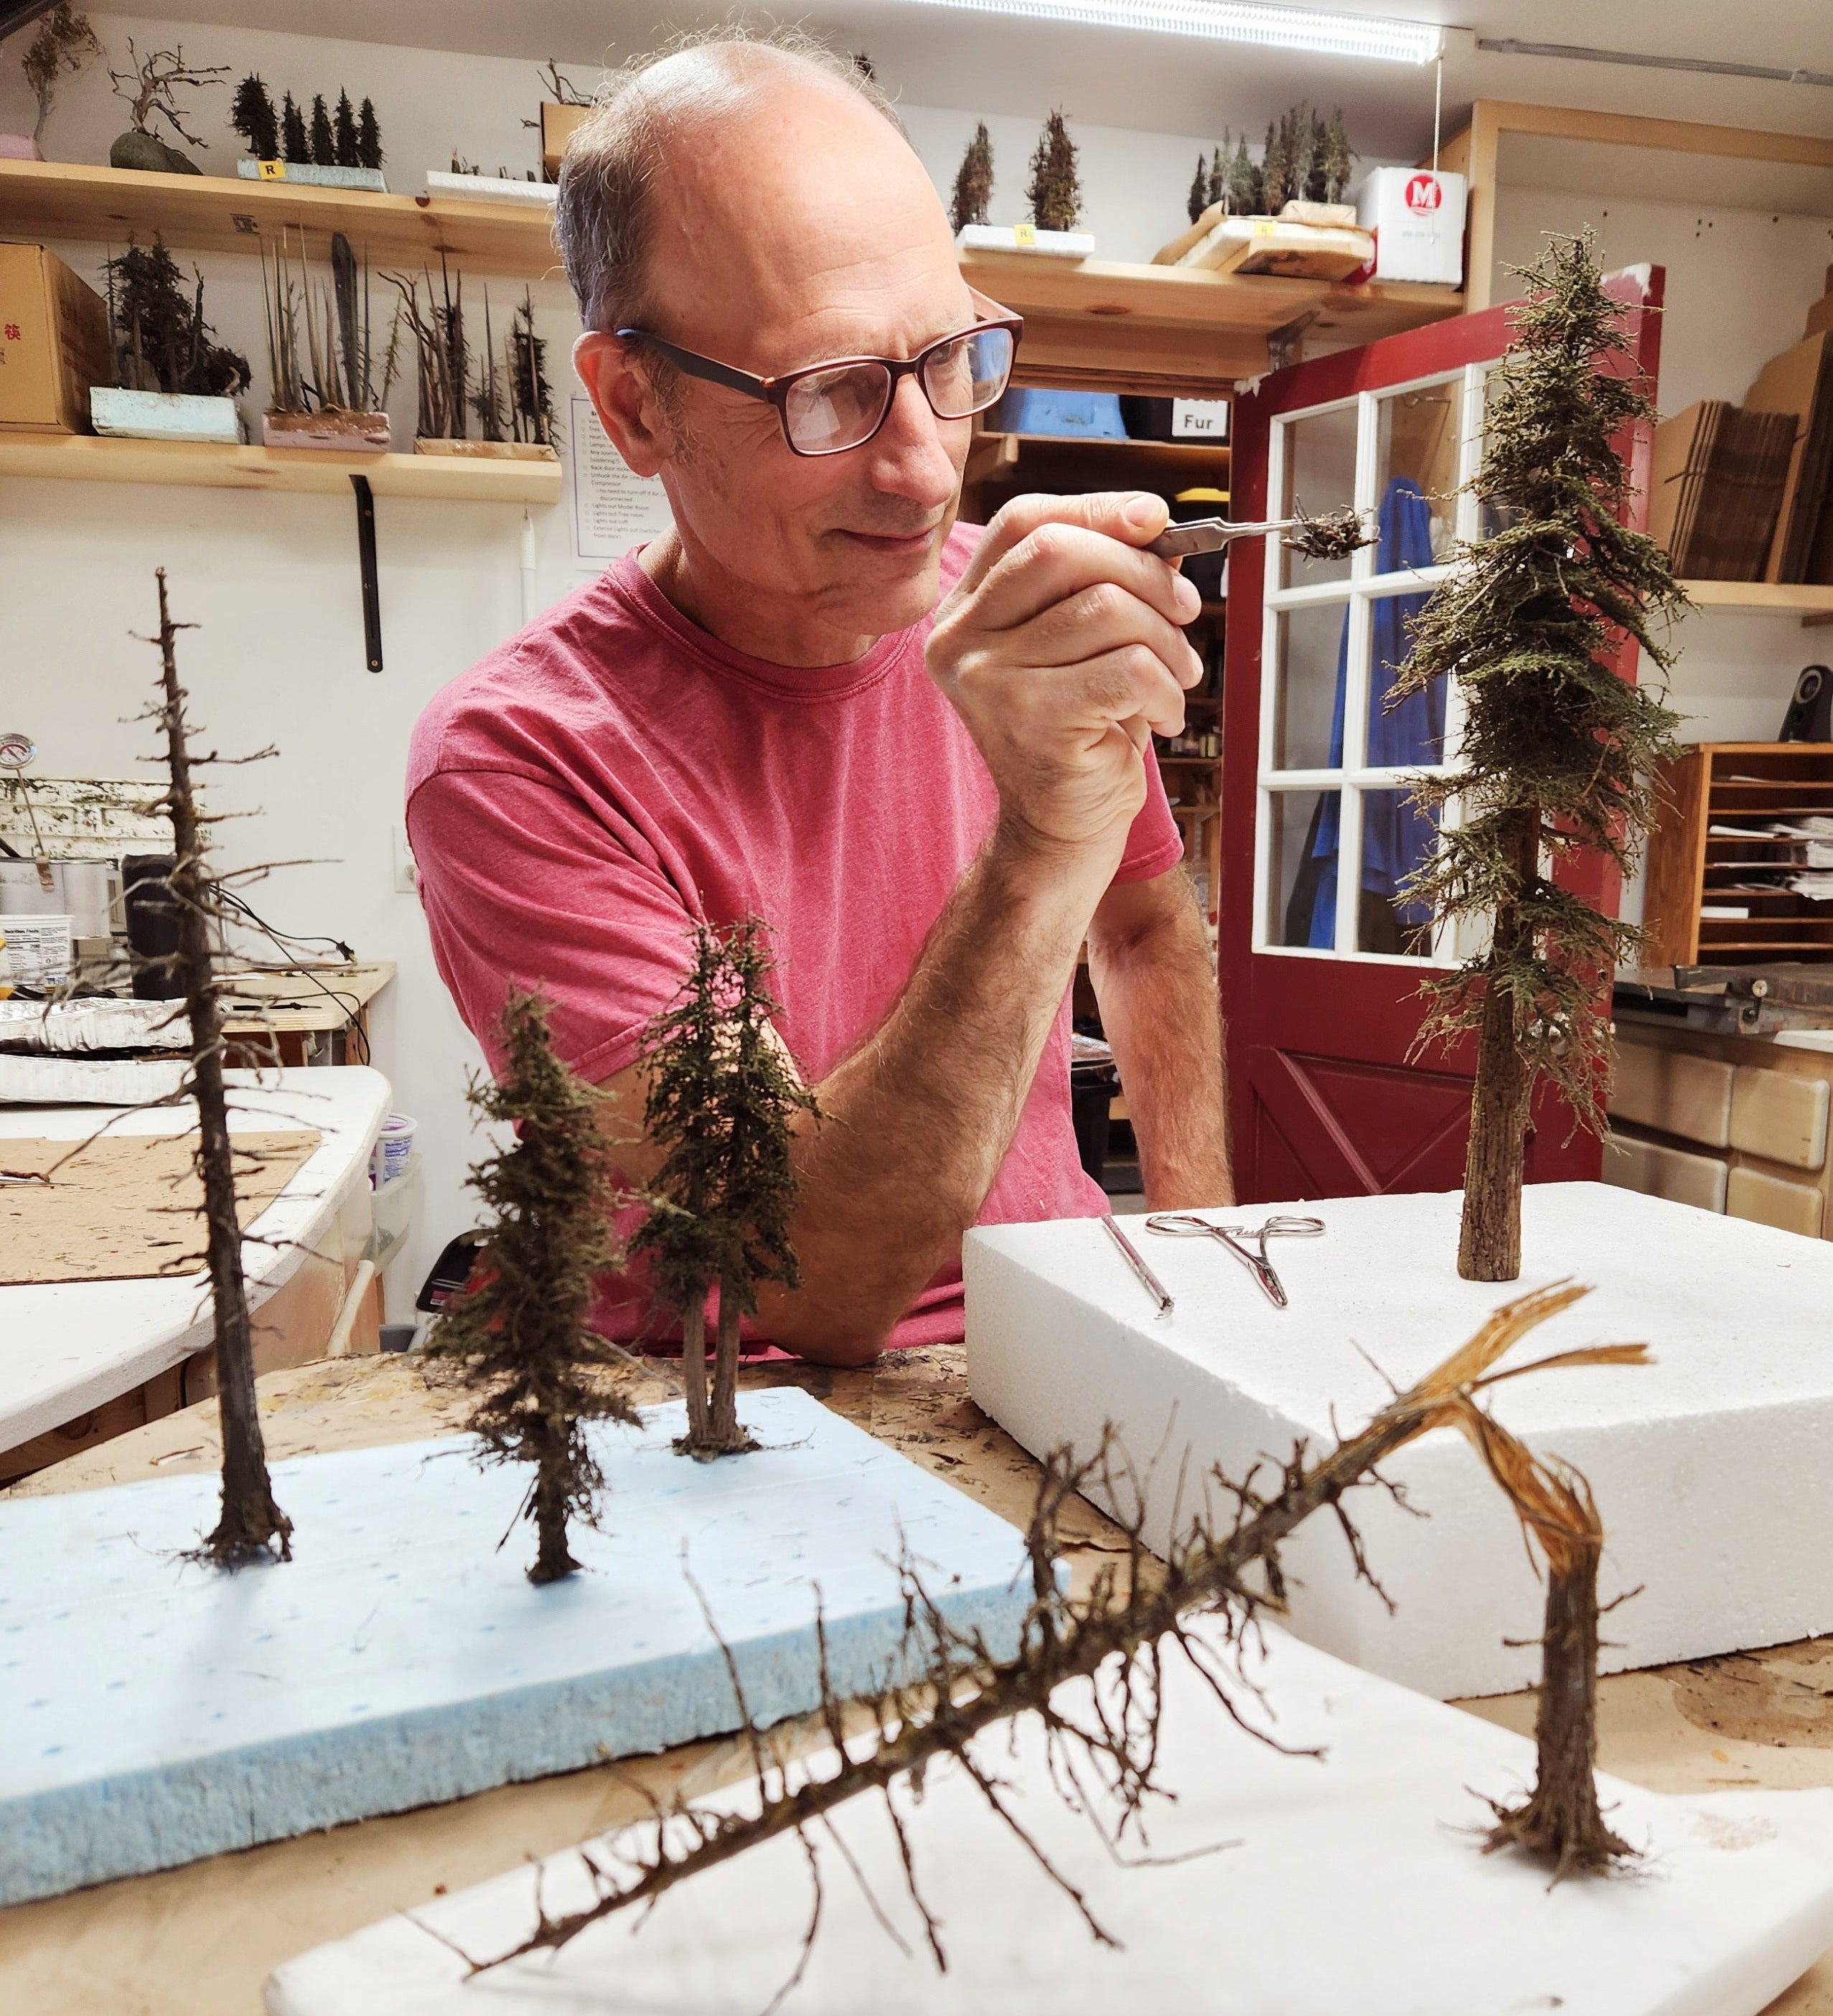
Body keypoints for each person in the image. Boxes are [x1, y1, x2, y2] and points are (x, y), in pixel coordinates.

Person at [407, 32, 1232, 1369]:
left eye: (950, 357)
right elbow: (805, 1280)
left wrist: (1201, 1262)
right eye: (831, 392)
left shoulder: (1018, 623)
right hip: (742, 1422)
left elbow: (1144, 930)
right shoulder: (520, 760)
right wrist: (1038, 845)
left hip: (1066, 1320)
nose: (924, 472)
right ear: (634, 407)